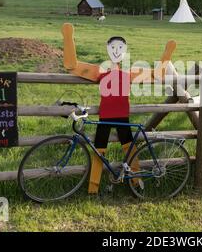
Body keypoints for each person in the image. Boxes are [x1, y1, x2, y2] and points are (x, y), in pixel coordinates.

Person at [62, 23, 177, 194]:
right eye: (113, 47)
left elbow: (157, 74)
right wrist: (68, 37)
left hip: (122, 116)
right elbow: (72, 66)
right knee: (99, 149)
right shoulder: (100, 72)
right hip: (106, 115)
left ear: (125, 50)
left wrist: (168, 52)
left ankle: (137, 183)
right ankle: (93, 188)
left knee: (129, 148)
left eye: (120, 47)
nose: (116, 51)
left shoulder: (128, 73)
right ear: (108, 49)